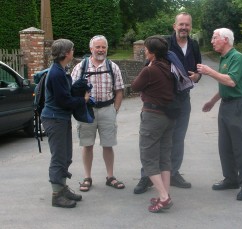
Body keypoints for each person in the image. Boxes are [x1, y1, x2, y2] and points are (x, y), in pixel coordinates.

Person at [134, 12, 202, 194]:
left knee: (178, 138)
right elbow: (148, 67)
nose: (184, 28)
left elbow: (198, 69)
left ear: (191, 27)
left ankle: (173, 172)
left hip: (182, 100)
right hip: (163, 100)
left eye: (187, 25)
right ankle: (146, 176)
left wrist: (197, 76)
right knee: (154, 141)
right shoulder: (165, 43)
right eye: (181, 24)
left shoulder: (194, 45)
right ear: (174, 26)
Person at [197, 28, 242, 201]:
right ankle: (231, 179)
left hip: (237, 105)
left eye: (215, 38)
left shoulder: (237, 57)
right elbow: (224, 84)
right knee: (225, 145)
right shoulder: (224, 58)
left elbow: (231, 81)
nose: (212, 41)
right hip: (226, 105)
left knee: (239, 146)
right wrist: (212, 101)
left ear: (226, 40)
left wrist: (209, 71)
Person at [71, 35, 125, 192]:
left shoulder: (112, 67)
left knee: (108, 145)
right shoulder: (81, 67)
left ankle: (110, 176)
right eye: (98, 47)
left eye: (103, 47)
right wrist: (82, 101)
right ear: (91, 49)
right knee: (87, 145)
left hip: (108, 109)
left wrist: (114, 110)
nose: (101, 50)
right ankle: (87, 177)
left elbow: (119, 91)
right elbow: (73, 90)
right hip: (87, 112)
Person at [41, 39, 90, 208]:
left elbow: (64, 95)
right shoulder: (56, 73)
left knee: (66, 156)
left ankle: (62, 188)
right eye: (72, 49)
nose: (73, 51)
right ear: (66, 53)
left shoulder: (60, 70)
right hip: (54, 118)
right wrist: (82, 100)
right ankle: (57, 195)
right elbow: (64, 101)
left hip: (60, 118)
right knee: (59, 158)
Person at [131, 35, 175, 213]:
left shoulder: (150, 70)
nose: (144, 51)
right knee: (164, 157)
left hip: (152, 116)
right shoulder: (169, 68)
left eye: (146, 49)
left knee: (148, 157)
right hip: (168, 117)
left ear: (152, 52)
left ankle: (163, 197)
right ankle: (166, 193)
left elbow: (134, 86)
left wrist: (147, 68)